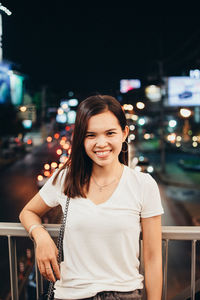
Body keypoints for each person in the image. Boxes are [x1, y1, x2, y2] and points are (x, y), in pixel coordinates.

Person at [19, 95, 164, 300]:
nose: (101, 143)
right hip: (70, 295)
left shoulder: (143, 184)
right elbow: (28, 212)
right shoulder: (66, 178)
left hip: (124, 294)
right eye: (91, 135)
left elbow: (153, 257)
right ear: (81, 139)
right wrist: (41, 236)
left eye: (110, 133)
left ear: (124, 133)